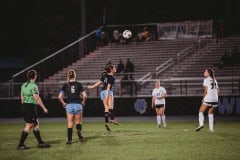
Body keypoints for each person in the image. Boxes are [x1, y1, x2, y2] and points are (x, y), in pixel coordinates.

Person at [17, 70, 50, 150]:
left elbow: (22, 98)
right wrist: (44, 108)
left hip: (25, 105)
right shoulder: (33, 85)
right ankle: (21, 145)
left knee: (36, 123)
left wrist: (25, 106)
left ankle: (40, 143)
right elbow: (37, 98)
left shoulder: (23, 85)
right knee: (29, 126)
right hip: (30, 107)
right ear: (35, 76)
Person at [58, 70, 87, 144]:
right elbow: (85, 95)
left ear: (68, 76)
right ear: (75, 76)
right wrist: (83, 102)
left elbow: (59, 97)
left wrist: (63, 103)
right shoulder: (78, 84)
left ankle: (69, 140)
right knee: (78, 122)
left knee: (70, 123)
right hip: (78, 104)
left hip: (69, 105)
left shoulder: (66, 85)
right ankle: (80, 136)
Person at [87, 65, 119, 131]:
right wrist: (107, 95)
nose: (115, 68)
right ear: (111, 69)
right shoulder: (112, 77)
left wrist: (91, 87)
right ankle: (112, 119)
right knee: (110, 106)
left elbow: (98, 83)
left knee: (106, 107)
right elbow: (108, 87)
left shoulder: (104, 76)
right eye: (114, 67)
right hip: (108, 92)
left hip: (102, 92)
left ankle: (107, 123)